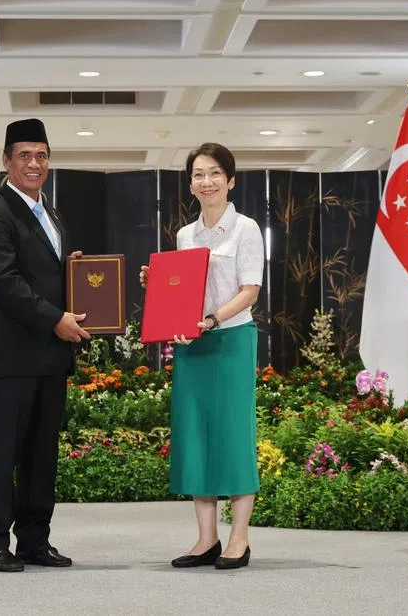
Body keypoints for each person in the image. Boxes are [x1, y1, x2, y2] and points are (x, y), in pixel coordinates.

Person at [0, 118, 90, 572]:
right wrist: (55, 319)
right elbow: (6, 282)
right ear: (6, 161)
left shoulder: (52, 216)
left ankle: (35, 540)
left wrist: (72, 274)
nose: (34, 163)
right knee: (1, 455)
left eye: (41, 155)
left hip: (50, 358)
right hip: (8, 359)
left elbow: (41, 273)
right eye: (24, 155)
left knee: (42, 457)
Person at [140, 142, 263, 569]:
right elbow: (182, 288)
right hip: (192, 345)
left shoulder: (246, 229)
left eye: (214, 173)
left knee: (233, 435)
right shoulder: (185, 235)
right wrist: (156, 282)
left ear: (230, 181)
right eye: (198, 174)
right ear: (190, 184)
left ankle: (239, 539)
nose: (206, 181)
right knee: (196, 435)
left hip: (231, 340)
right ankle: (206, 538)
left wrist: (211, 320)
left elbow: (250, 291)